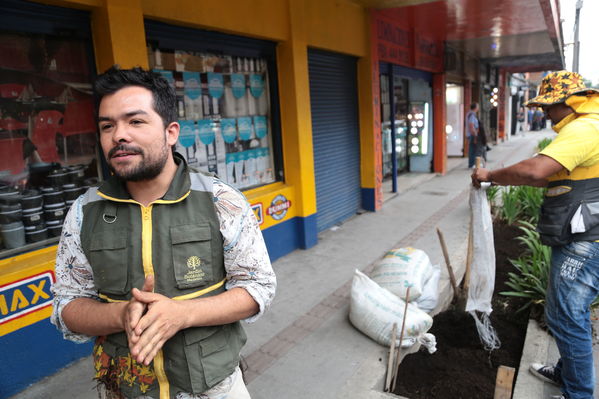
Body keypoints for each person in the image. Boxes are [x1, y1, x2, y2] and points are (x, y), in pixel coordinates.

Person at [50, 66, 276, 399]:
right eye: (107, 126)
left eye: (135, 121)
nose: (119, 135)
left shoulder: (220, 200)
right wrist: (121, 314)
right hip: (125, 389)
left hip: (214, 387)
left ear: (171, 132)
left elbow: (258, 286)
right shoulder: (85, 212)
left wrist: (182, 314)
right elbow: (67, 307)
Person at [472, 70, 599, 399]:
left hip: (587, 240)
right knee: (564, 312)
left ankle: (578, 394)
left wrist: (488, 174)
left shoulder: (586, 128)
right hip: (584, 233)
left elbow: (535, 170)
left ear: (568, 101)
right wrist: (498, 179)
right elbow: (551, 177)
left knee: (568, 316)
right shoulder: (588, 125)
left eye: (548, 106)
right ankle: (566, 372)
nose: (543, 112)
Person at [466, 102, 481, 168]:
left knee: (473, 149)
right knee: (473, 149)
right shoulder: (472, 115)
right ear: (475, 107)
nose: (478, 108)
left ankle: (472, 163)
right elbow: (471, 125)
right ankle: (472, 164)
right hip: (472, 134)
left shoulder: (469, 114)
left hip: (471, 134)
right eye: (477, 106)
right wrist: (475, 135)